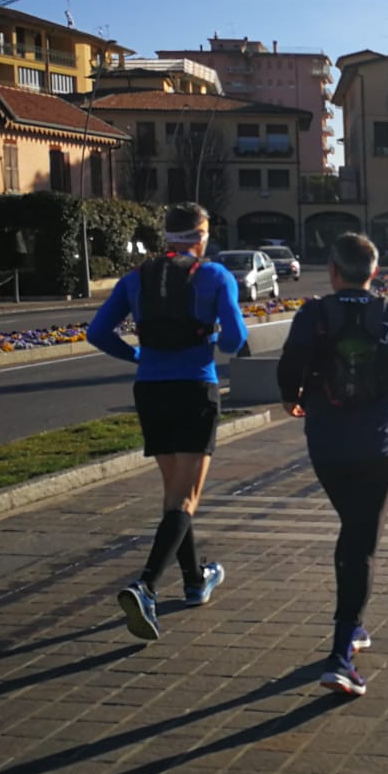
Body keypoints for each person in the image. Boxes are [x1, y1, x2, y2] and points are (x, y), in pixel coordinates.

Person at [276, 232, 388, 697]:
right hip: (378, 447)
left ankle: (355, 625)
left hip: (326, 446)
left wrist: (292, 398)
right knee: (361, 543)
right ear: (375, 272)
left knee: (353, 531)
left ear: (333, 271)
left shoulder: (313, 314)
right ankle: (340, 656)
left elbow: (288, 368)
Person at [87, 202, 248, 642]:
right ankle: (146, 587)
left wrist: (138, 355)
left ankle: (195, 581)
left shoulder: (136, 278)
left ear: (166, 235)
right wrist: (213, 332)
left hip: (150, 391)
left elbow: (97, 333)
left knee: (175, 495)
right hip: (195, 389)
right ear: (201, 235)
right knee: (185, 498)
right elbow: (234, 341)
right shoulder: (215, 276)